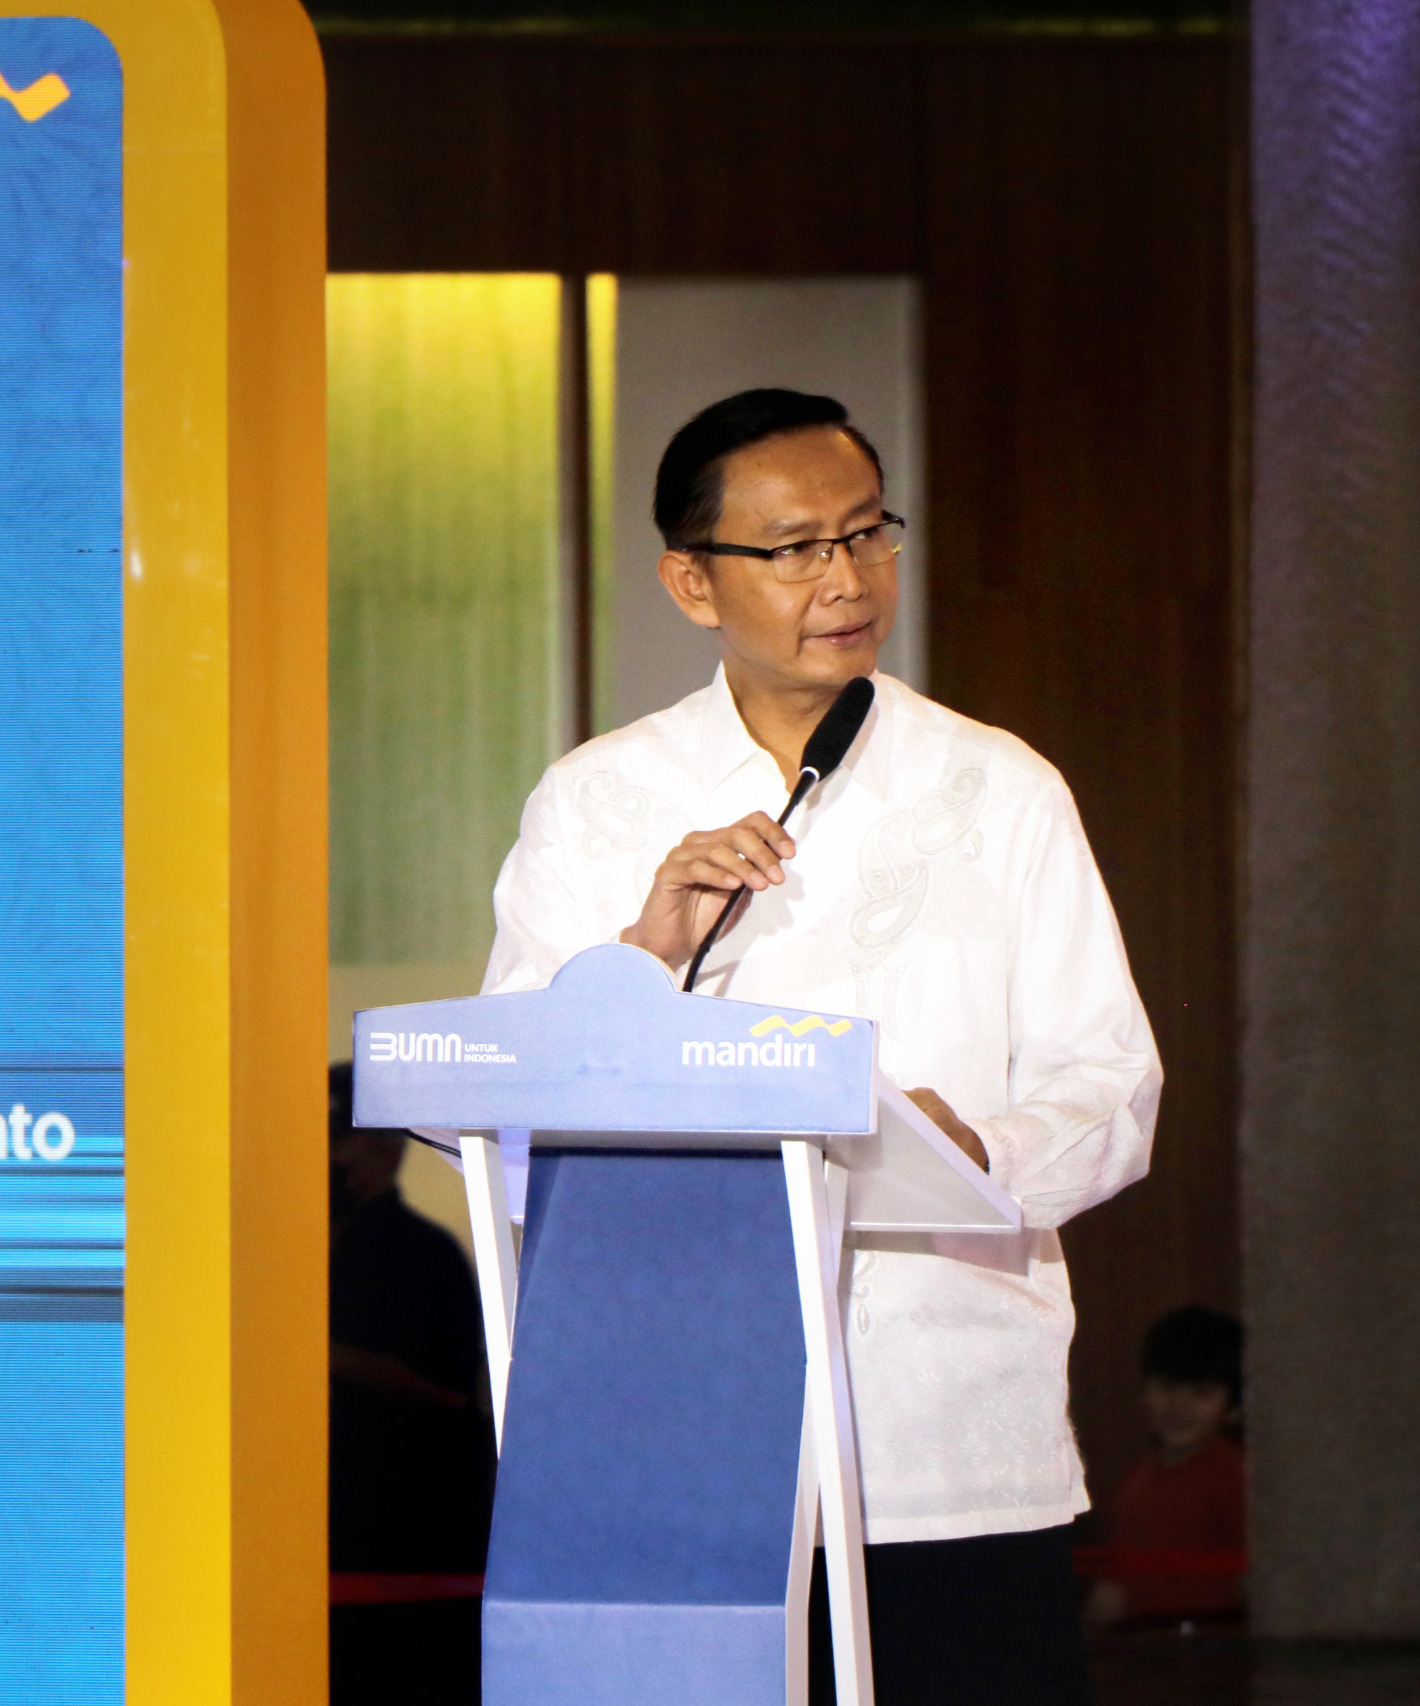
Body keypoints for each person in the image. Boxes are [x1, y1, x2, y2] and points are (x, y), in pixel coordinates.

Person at [482, 390, 1161, 1704]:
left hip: (942, 1438)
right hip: (675, 1430)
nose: (847, 578)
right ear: (692, 581)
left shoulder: (1000, 787)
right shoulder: (596, 799)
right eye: (796, 547)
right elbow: (512, 1122)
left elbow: (1113, 1087)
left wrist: (976, 1147)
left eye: (865, 532)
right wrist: (643, 955)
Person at [328, 1064, 491, 1706]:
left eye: (339, 1139)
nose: (325, 1158)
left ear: (385, 1147)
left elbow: (445, 1391)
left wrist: (300, 1354)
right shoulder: (293, 1248)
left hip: (407, 1553)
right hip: (325, 1547)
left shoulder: (418, 1255)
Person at [1083, 1306, 1246, 1631]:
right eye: (1166, 1387)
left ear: (1234, 1408)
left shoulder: (1235, 1475)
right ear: (1145, 1391)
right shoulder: (1139, 1475)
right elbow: (1116, 1577)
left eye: (1201, 1393)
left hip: (1211, 1639)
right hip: (1139, 1640)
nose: (1178, 1406)